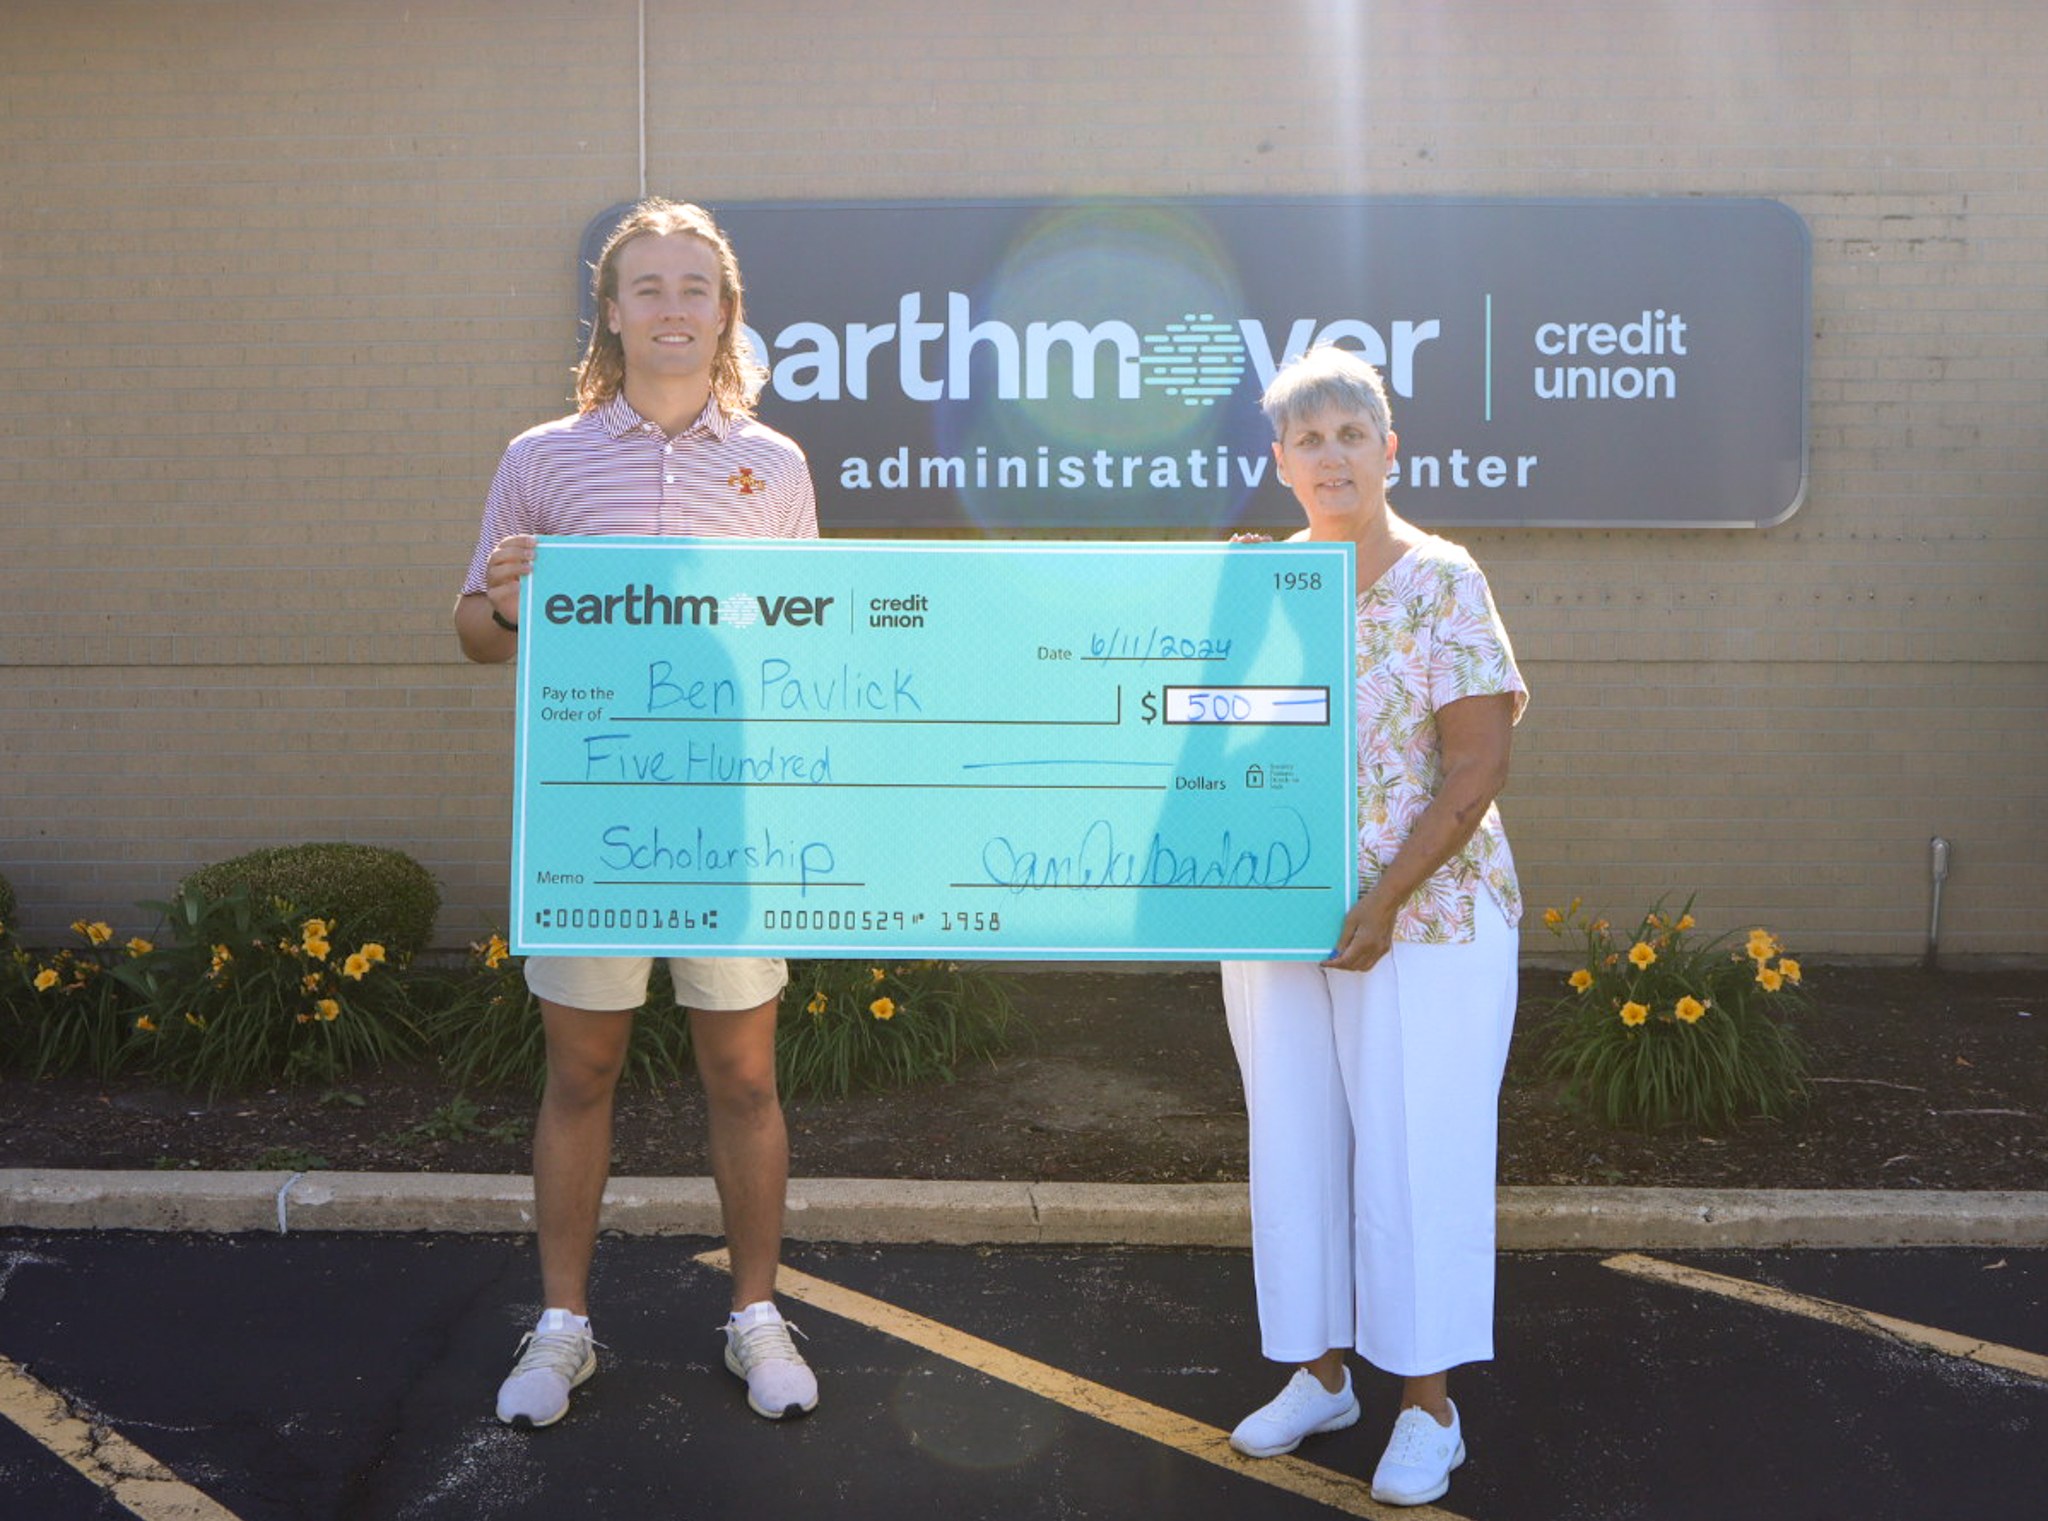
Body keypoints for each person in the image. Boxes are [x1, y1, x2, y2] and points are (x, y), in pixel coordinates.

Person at [455, 198, 820, 1430]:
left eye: (694, 288)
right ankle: (562, 1329)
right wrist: (504, 600)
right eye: (648, 288)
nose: (672, 308)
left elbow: (807, 645)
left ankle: (755, 1317)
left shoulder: (773, 468)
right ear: (611, 313)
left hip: (730, 824)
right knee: (582, 1069)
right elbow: (471, 635)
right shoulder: (541, 458)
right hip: (590, 818)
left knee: (743, 1073)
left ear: (726, 314)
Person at [1221, 346, 1526, 1507]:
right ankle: (1319, 1374)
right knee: (1292, 1142)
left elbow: (1478, 755)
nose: (1331, 454)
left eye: (1351, 432)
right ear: (1279, 461)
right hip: (1276, 912)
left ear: (1388, 449)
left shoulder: (1441, 577)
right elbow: (1208, 733)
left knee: (1414, 1152)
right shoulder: (1264, 584)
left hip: (1427, 916)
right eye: (1308, 437)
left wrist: (1383, 897)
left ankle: (1427, 1406)